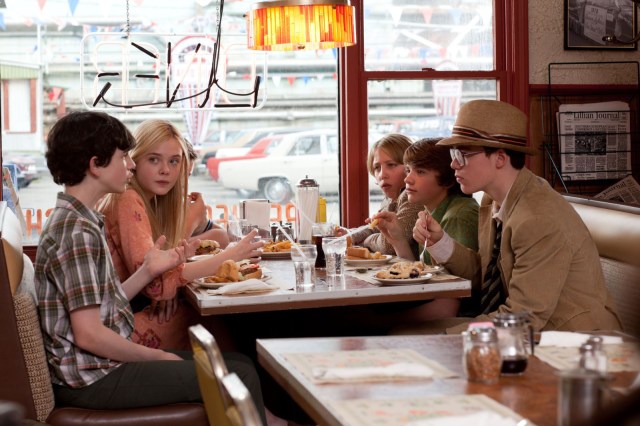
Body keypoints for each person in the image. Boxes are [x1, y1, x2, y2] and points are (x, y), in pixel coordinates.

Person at [34, 111, 266, 422]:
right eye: (123, 157)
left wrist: (148, 270)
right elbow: (89, 335)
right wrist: (157, 356)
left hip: (99, 367)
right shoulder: (76, 232)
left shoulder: (81, 220)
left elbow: (104, 303)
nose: (131, 165)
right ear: (96, 164)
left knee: (241, 363)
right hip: (93, 377)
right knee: (239, 376)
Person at [406, 100, 621, 334]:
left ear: (500, 158)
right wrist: (440, 243)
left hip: (572, 339)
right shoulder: (492, 200)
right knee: (405, 331)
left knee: (409, 335)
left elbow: (524, 318)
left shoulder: (538, 217)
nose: (453, 163)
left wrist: (445, 339)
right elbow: (488, 277)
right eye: (453, 153)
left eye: (463, 154)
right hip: (527, 328)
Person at [98, 119, 262, 350]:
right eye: (154, 159)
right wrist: (229, 257)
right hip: (113, 326)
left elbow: (162, 273)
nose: (165, 170)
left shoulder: (149, 200)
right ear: (135, 160)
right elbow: (155, 284)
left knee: (217, 324)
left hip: (126, 312)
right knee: (217, 325)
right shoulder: (127, 199)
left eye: (174, 161)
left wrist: (169, 288)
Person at [374, 138, 479, 320]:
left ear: (447, 180)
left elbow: (455, 293)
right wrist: (398, 240)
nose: (407, 179)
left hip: (460, 316)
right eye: (408, 170)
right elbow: (421, 275)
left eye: (420, 171)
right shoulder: (429, 211)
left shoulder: (458, 215)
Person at [336, 133, 423, 258]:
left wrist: (365, 241)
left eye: (391, 165)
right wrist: (350, 235)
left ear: (410, 167)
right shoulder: (389, 199)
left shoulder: (411, 197)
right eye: (377, 167)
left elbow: (388, 244)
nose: (382, 175)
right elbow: (374, 228)